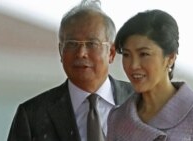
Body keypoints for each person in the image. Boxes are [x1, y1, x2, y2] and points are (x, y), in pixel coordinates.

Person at [7, 1, 133, 141]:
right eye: (72, 44)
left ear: (111, 53)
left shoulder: (144, 102)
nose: (81, 53)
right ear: (61, 52)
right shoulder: (32, 115)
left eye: (92, 44)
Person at [107, 9, 193, 141]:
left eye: (144, 54)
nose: (133, 65)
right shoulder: (118, 117)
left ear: (170, 58)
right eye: (127, 55)